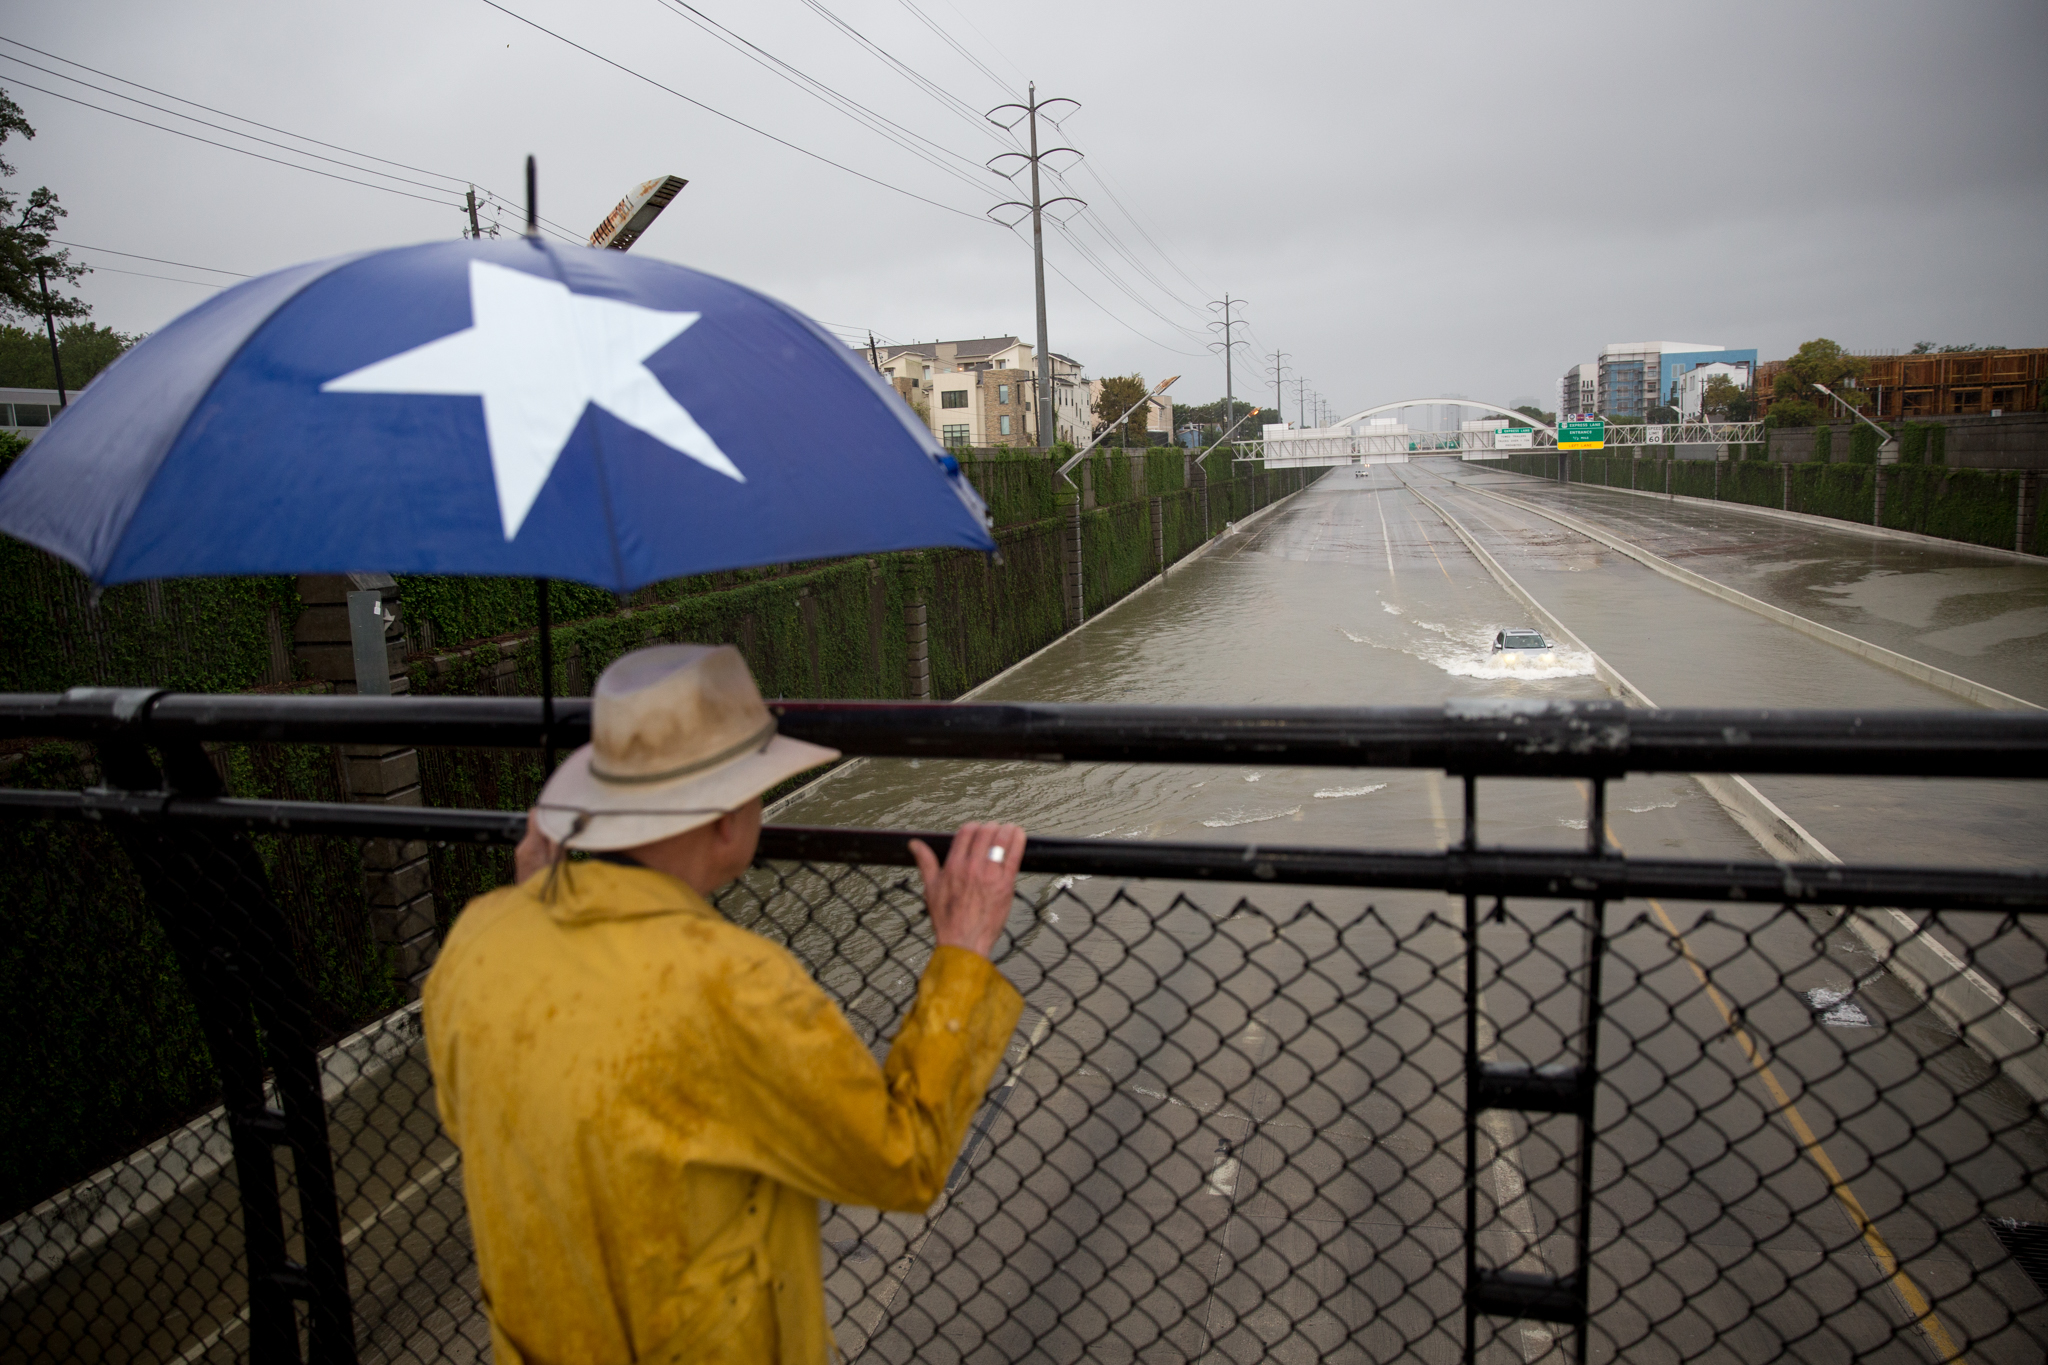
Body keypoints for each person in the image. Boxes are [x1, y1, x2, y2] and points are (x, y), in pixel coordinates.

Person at [423, 643, 1027, 1365]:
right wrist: (961, 953)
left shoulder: (479, 939)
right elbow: (903, 1160)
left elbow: (477, 1112)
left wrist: (530, 904)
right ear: (722, 822)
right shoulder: (735, 983)